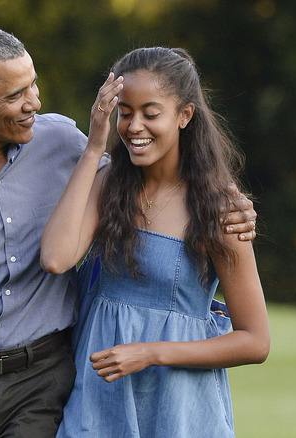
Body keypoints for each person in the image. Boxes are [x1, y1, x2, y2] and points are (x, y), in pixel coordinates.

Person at [0, 26, 258, 438]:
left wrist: (226, 199)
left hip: (59, 387)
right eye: (15, 94)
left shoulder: (61, 142)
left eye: (33, 84)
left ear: (185, 115)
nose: (33, 102)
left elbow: (251, 334)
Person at [40, 46, 270, 438]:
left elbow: (255, 341)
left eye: (151, 112)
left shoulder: (219, 209)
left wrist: (151, 352)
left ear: (184, 116)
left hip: (178, 410)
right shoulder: (109, 184)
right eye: (125, 112)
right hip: (99, 403)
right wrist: (95, 146)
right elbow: (56, 258)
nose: (134, 127)